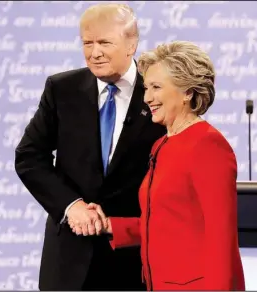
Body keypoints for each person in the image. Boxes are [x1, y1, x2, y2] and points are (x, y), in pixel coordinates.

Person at [14, 3, 166, 291]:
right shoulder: (62, 89)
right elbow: (29, 157)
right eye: (87, 43)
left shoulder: (157, 90)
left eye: (104, 42)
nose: (94, 52)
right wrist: (72, 206)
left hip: (135, 258)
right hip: (69, 256)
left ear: (132, 43)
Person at [76, 41, 246, 291]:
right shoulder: (161, 145)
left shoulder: (207, 145)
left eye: (156, 87)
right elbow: (163, 223)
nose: (147, 98)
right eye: (146, 88)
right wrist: (111, 224)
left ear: (187, 91)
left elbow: (221, 238)